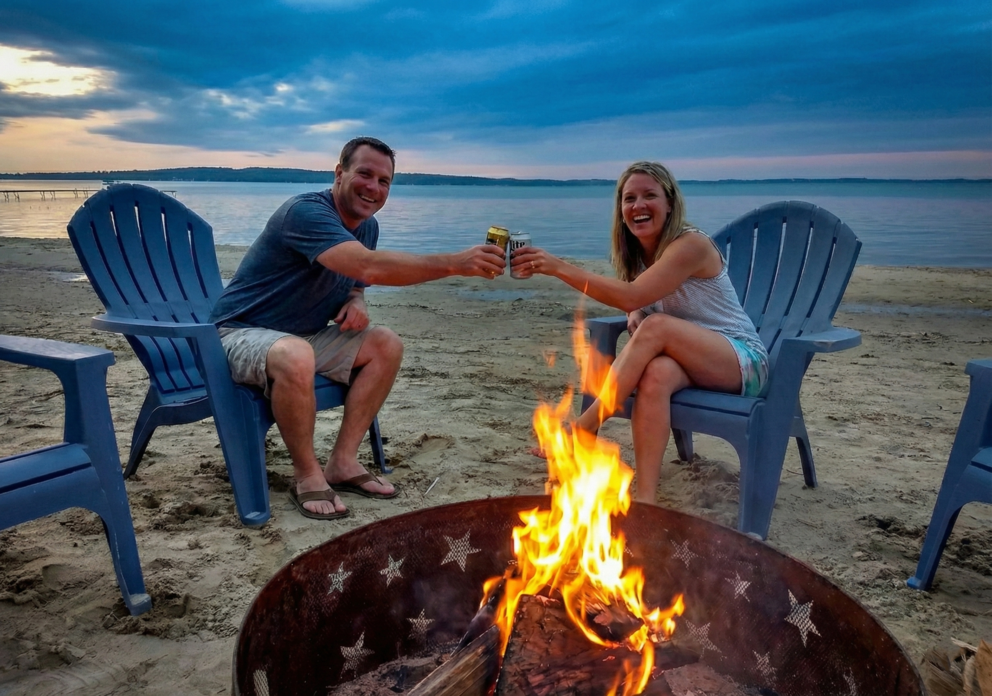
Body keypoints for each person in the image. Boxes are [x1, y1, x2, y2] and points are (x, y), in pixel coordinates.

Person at [209, 136, 505, 520]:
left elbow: (357, 279)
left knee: (385, 343)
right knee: (295, 352)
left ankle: (343, 462)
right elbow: (368, 266)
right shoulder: (304, 213)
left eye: (384, 181)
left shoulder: (367, 227)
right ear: (339, 173)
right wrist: (454, 263)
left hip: (303, 337)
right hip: (238, 332)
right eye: (365, 174)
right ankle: (307, 474)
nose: (374, 187)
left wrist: (356, 300)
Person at [510, 161, 768, 504]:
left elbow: (633, 295)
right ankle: (647, 501)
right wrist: (636, 309)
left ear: (670, 203)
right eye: (629, 199)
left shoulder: (690, 245)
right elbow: (640, 297)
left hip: (742, 362)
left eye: (650, 196)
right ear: (621, 209)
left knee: (655, 327)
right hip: (690, 361)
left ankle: (584, 428)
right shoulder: (640, 255)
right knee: (656, 375)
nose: (638, 206)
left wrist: (558, 267)